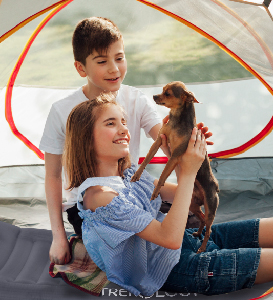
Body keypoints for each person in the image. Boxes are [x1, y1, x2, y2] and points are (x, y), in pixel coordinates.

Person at [64, 95, 273, 296]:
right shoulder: (99, 198)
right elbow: (169, 238)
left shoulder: (129, 175)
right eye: (111, 123)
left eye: (123, 121)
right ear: (86, 138)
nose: (124, 129)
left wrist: (181, 151)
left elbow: (192, 198)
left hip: (188, 240)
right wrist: (187, 172)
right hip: (177, 269)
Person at [42, 16, 167, 266]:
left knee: (190, 222)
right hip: (90, 208)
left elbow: (165, 140)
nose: (114, 68)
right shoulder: (61, 111)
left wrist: (188, 137)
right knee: (145, 250)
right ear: (81, 68)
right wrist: (58, 237)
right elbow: (53, 176)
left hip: (134, 196)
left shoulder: (136, 99)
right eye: (102, 61)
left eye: (119, 58)